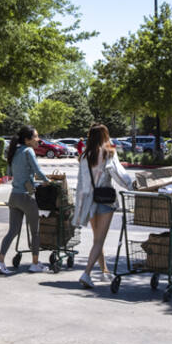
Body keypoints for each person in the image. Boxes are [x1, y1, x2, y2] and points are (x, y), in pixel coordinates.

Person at [73, 123, 137, 288]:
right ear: (104, 136)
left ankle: (104, 271)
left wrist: (80, 205)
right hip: (105, 201)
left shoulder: (84, 156)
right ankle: (86, 273)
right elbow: (119, 175)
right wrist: (132, 186)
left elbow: (81, 182)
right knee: (99, 241)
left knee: (97, 239)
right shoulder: (108, 153)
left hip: (89, 201)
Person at [0, 126, 49, 274]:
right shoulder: (28, 151)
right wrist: (47, 181)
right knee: (35, 232)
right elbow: (38, 170)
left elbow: (10, 173)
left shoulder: (14, 152)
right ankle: (35, 263)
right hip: (27, 196)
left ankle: (0, 261)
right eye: (36, 137)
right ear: (27, 140)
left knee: (12, 231)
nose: (38, 139)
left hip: (14, 196)